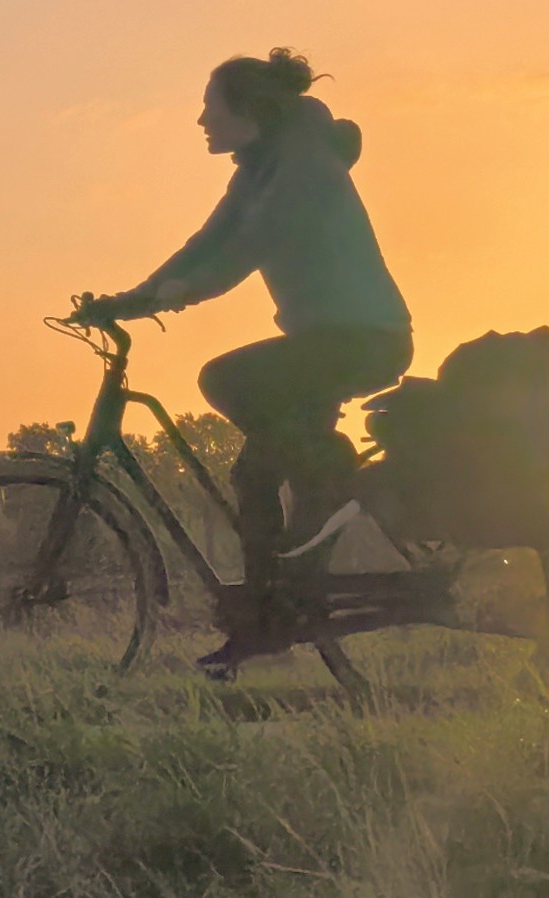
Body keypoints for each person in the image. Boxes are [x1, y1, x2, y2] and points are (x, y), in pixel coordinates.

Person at [74, 49, 411, 654]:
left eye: (211, 109)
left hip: (363, 338)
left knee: (227, 383)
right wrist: (128, 301)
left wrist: (182, 295)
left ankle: (323, 485)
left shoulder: (304, 167)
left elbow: (251, 245)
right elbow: (208, 241)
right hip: (326, 339)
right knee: (257, 468)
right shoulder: (257, 167)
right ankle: (279, 592)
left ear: (250, 111)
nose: (201, 121)